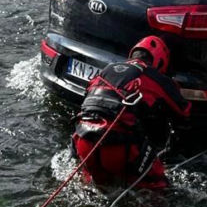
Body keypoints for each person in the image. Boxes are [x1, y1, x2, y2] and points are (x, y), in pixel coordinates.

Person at [72, 36, 190, 190]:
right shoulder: (154, 76)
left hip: (83, 141)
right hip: (120, 147)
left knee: (96, 190)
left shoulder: (106, 71)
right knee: (158, 189)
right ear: (160, 61)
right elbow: (183, 111)